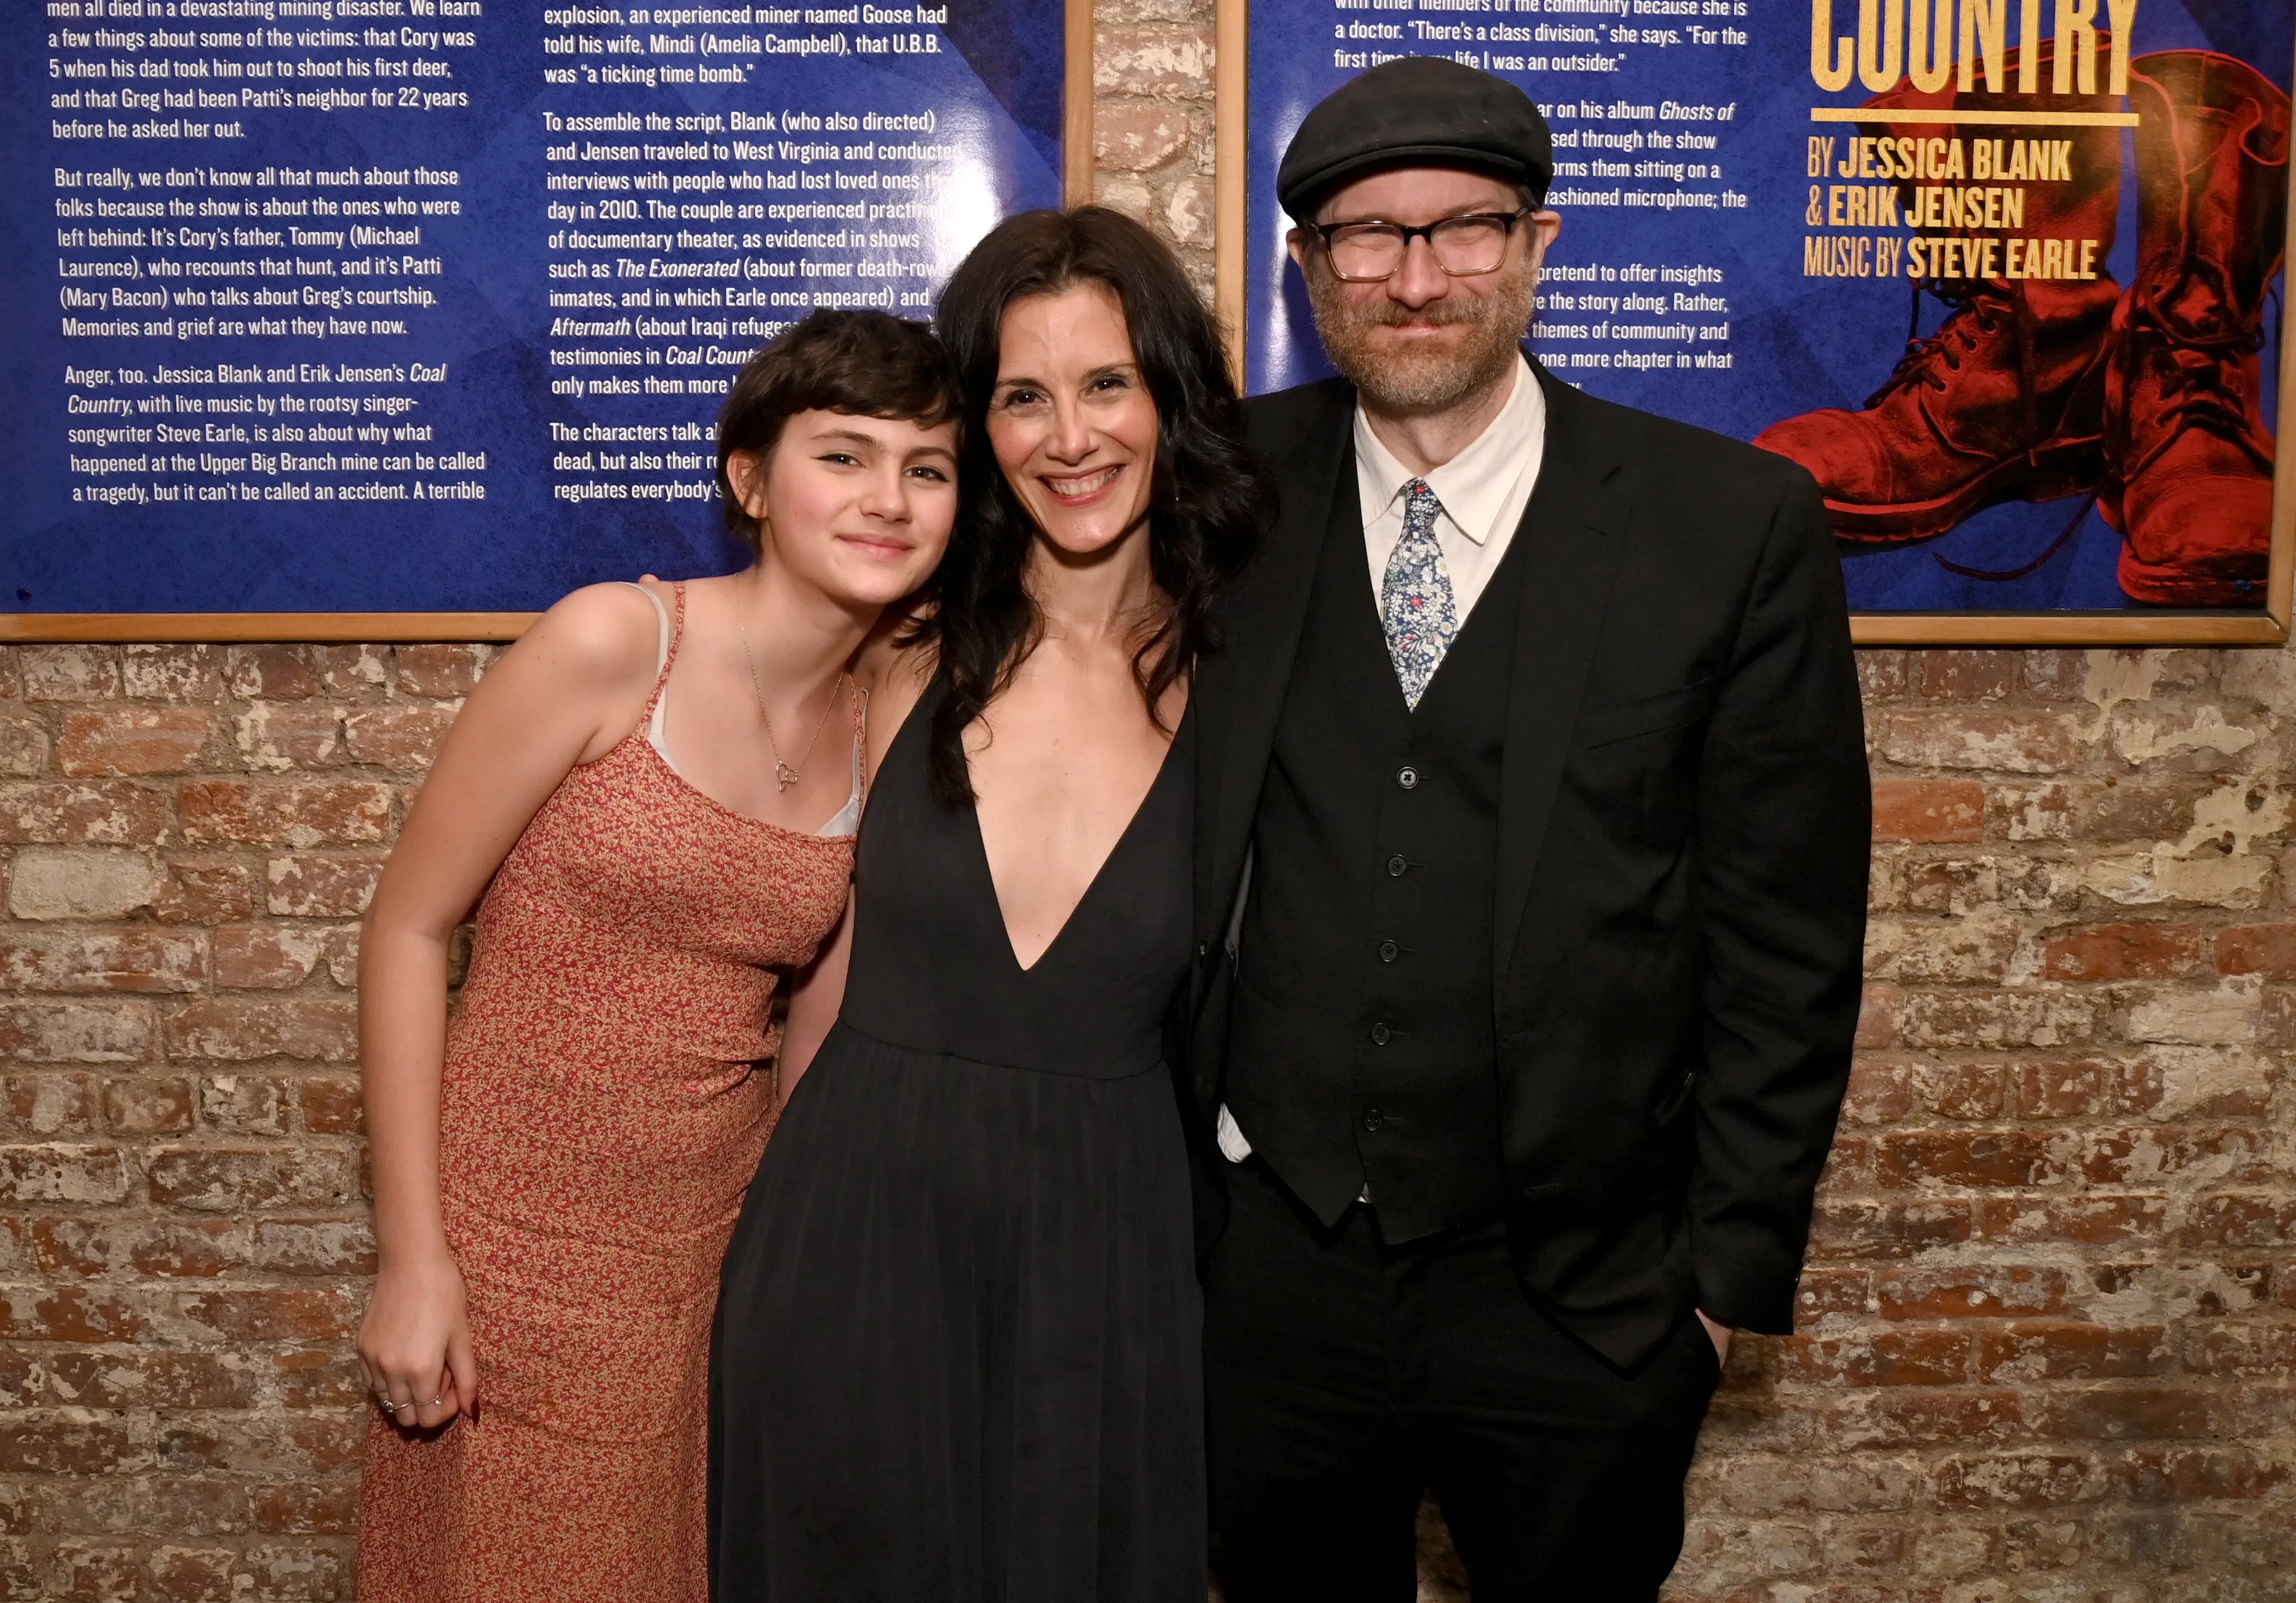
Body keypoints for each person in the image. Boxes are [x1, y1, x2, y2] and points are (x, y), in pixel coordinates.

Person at [1186, 57, 1872, 1601]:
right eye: (1366, 237)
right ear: (1306, 269)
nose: (1416, 278)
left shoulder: (1728, 524)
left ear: (1540, 246)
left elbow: (1790, 930)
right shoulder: (1221, 494)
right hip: (1269, 1279)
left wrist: (1715, 1288)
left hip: (1580, 1293)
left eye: (1464, 231)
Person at [353, 310, 963, 1603]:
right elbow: (406, 930)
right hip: (510, 1241)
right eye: (844, 456)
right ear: (750, 476)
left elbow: (820, 1020)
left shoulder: (888, 711)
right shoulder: (614, 644)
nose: (891, 498)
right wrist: (416, 1260)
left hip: (710, 1251)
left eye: (929, 465)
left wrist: (794, 1262)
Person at [708, 206, 1262, 1603]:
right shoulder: (896, 651)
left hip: (1111, 1257)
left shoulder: (1246, 678)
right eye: (1023, 395)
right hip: (855, 1238)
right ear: (981, 425)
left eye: (1107, 383)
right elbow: (783, 943)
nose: (1069, 436)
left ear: (1168, 398)